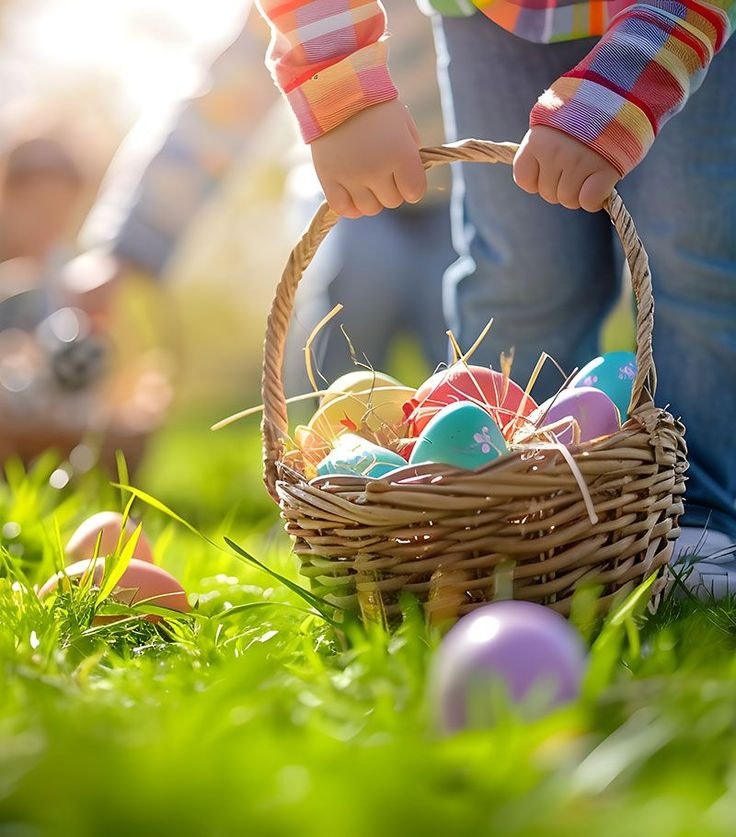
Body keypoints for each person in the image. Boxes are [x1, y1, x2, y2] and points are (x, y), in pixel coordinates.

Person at [256, 0, 736, 594]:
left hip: (677, 20)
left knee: (694, 261)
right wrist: (341, 87)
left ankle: (698, 519)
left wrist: (617, 95)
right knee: (519, 279)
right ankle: (519, 518)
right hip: (493, 16)